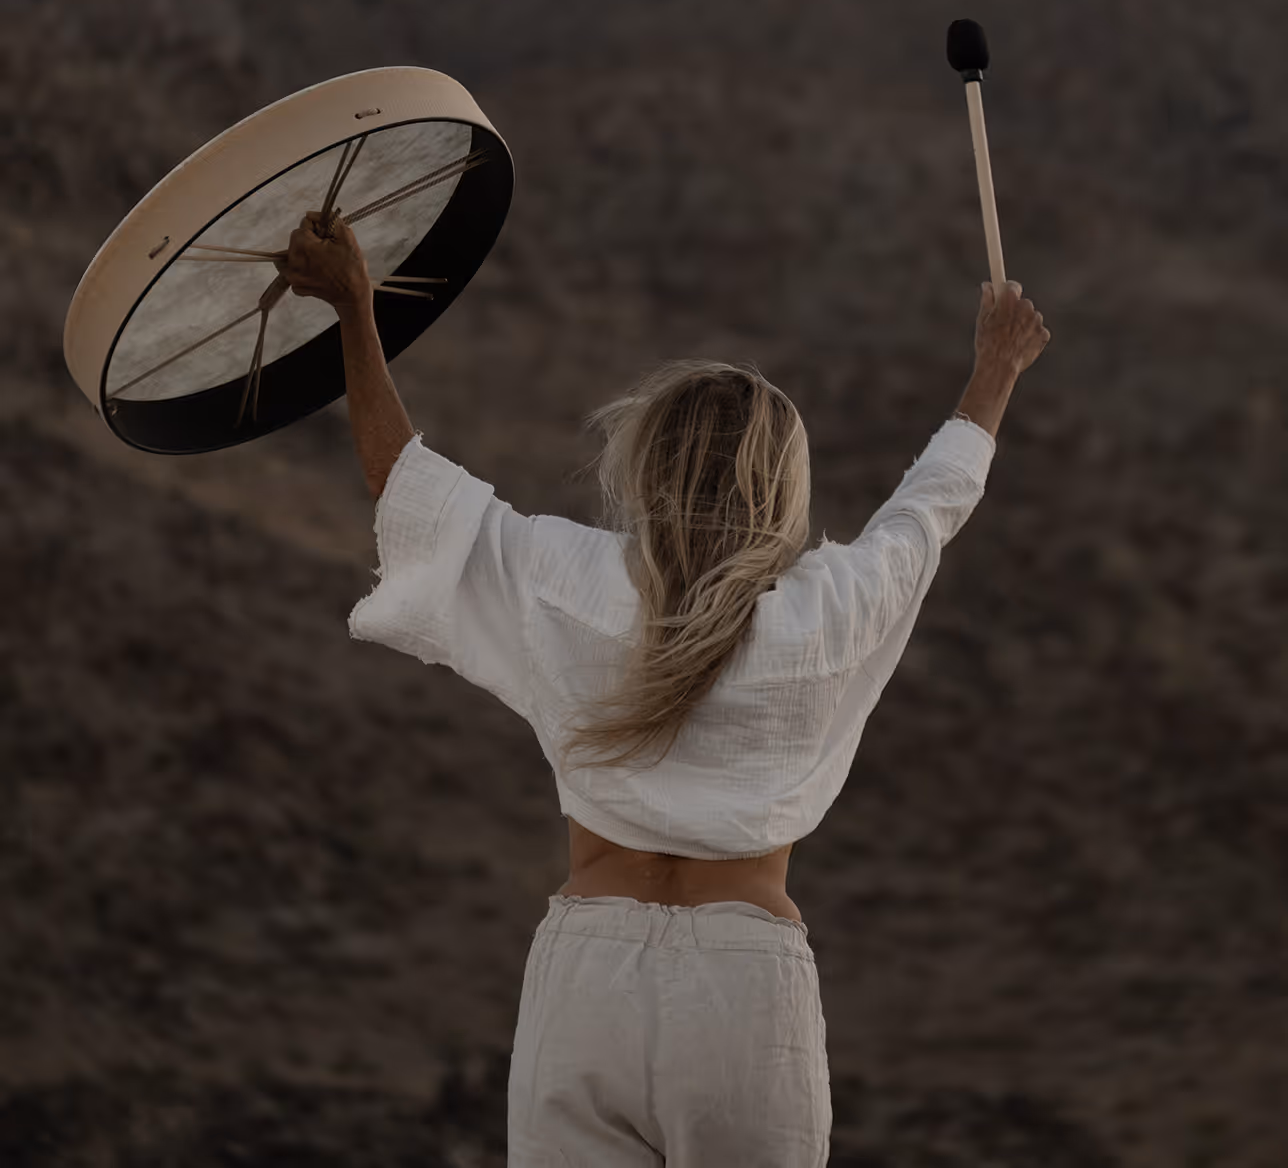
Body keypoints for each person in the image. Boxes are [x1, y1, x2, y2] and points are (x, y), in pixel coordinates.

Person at [276, 210, 1050, 1166]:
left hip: (586, 981)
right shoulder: (825, 614)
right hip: (746, 996)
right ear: (782, 489)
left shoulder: (569, 581)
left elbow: (408, 489)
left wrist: (356, 308)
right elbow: (932, 504)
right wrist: (996, 367)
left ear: (646, 467)